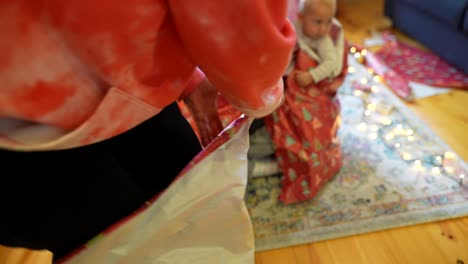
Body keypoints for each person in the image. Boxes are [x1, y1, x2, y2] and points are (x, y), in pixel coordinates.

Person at [0, 0, 295, 260]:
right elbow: (245, 42)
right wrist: (260, 91)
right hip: (63, 146)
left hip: (25, 155)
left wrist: (188, 78)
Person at [249, 0, 348, 204]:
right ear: (302, 19)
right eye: (318, 22)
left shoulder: (323, 41)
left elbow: (331, 64)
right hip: (286, 83)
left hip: (309, 88)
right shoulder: (294, 28)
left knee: (300, 125)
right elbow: (285, 53)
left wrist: (312, 75)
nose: (324, 28)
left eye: (328, 22)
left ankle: (278, 158)